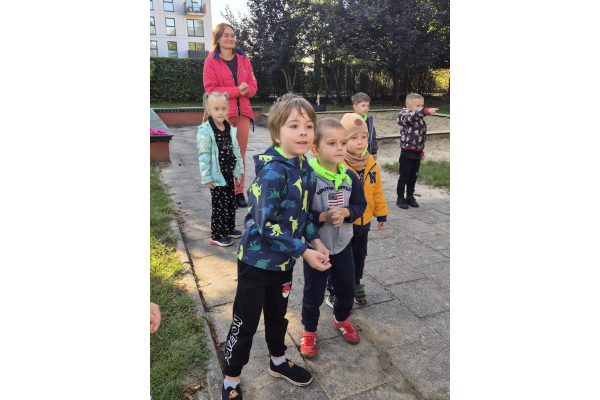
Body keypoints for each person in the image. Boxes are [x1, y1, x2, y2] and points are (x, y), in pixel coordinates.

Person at [221, 93, 331, 400]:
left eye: (308, 126)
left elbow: (304, 215)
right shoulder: (272, 173)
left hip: (283, 263)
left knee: (277, 315)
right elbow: (266, 224)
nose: (303, 132)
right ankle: (231, 378)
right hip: (256, 263)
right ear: (277, 133)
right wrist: (304, 251)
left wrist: (316, 242)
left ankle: (278, 361)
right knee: (245, 321)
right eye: (294, 126)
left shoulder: (306, 168)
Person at [299, 118, 367, 359]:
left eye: (342, 142)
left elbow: (360, 205)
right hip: (317, 248)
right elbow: (301, 215)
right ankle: (309, 330)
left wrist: (347, 213)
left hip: (344, 245)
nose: (340, 148)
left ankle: (341, 318)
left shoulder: (350, 177)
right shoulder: (308, 178)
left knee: (347, 289)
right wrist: (323, 216)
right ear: (315, 149)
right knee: (314, 293)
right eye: (332, 143)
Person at [324, 113, 388, 308]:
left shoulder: (371, 163)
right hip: (343, 224)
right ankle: (333, 289)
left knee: (359, 256)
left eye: (364, 137)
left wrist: (381, 213)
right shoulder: (338, 165)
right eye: (354, 138)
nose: (360, 142)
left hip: (363, 222)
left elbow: (377, 190)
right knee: (339, 257)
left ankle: (356, 281)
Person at [203, 22, 257, 209]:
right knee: (223, 155)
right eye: (226, 35)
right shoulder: (211, 61)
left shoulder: (244, 59)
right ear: (218, 39)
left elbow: (253, 86)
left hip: (243, 115)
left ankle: (238, 192)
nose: (230, 38)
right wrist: (236, 91)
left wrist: (247, 89)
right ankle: (226, 192)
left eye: (232, 35)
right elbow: (211, 89)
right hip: (222, 116)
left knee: (239, 155)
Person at [197, 92, 245, 247]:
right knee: (219, 206)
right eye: (216, 109)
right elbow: (203, 155)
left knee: (230, 202)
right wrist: (206, 177)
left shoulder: (229, 128)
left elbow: (236, 150)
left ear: (228, 109)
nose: (220, 112)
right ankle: (217, 234)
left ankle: (228, 229)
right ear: (208, 109)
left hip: (228, 173)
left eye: (224, 108)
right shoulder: (206, 130)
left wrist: (239, 170)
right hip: (216, 176)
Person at [396, 93, 438, 209]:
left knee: (413, 177)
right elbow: (412, 116)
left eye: (422, 105)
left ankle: (409, 196)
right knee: (404, 177)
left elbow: (421, 137)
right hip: (407, 153)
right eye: (418, 106)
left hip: (417, 153)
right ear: (409, 107)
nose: (421, 108)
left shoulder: (420, 121)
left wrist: (421, 151)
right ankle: (400, 198)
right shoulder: (404, 116)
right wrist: (425, 111)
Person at [351, 92, 379, 161]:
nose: (366, 108)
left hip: (367, 154)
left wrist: (374, 152)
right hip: (353, 154)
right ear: (355, 107)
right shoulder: (350, 120)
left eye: (367, 106)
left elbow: (373, 137)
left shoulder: (369, 122)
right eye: (363, 105)